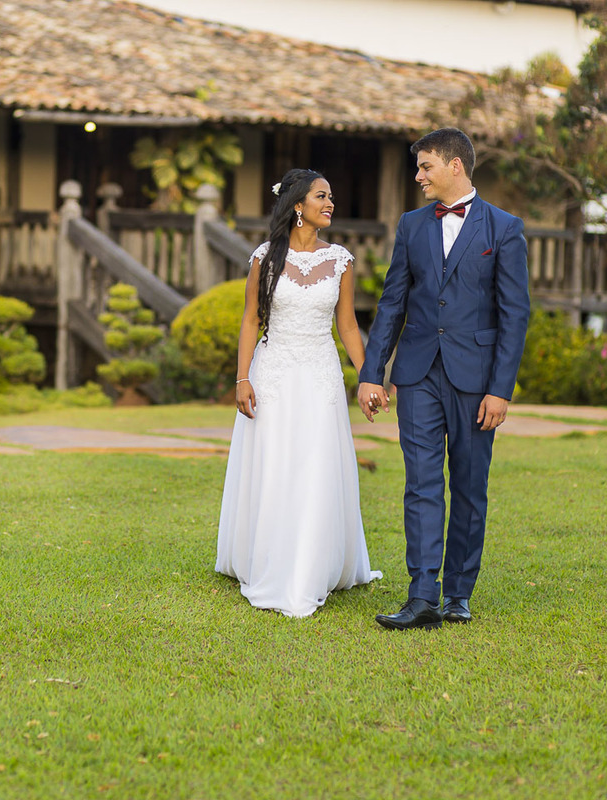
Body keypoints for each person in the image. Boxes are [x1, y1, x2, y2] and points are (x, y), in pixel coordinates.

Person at [357, 128, 530, 630]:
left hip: (478, 381)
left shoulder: (504, 228)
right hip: (417, 374)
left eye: (425, 166)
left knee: (470, 487)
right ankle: (421, 594)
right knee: (422, 484)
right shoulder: (411, 226)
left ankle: (458, 593)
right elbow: (392, 302)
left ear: (455, 166)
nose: (418, 176)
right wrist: (374, 373)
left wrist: (500, 389)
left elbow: (514, 315)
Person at [215, 168, 382, 617]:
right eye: (321, 196)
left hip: (321, 374)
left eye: (331, 196)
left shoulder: (341, 260)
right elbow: (251, 320)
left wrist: (369, 376)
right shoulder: (265, 257)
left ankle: (313, 563)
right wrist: (243, 377)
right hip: (273, 372)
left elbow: (347, 326)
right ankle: (268, 557)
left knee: (316, 465)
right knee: (275, 462)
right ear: (297, 206)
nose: (330, 203)